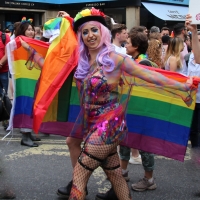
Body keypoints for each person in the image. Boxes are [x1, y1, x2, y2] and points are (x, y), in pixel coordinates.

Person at [19, 8, 193, 200]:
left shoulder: (115, 59)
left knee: (80, 174)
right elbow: (54, 72)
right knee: (115, 175)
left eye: (94, 30)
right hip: (92, 124)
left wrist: (182, 87)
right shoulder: (82, 60)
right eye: (85, 32)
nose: (90, 35)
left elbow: (149, 76)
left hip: (109, 125)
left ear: (102, 32)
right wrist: (31, 52)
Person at [14, 17, 41, 147]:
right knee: (26, 104)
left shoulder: (32, 42)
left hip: (33, 78)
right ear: (22, 31)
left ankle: (28, 132)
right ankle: (25, 136)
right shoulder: (19, 42)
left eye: (32, 30)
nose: (31, 32)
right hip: (24, 79)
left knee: (32, 104)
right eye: (28, 30)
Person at [0, 29, 10, 130]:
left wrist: (0, 64)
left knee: (4, 96)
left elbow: (7, 54)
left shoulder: (4, 37)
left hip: (3, 71)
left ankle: (5, 120)